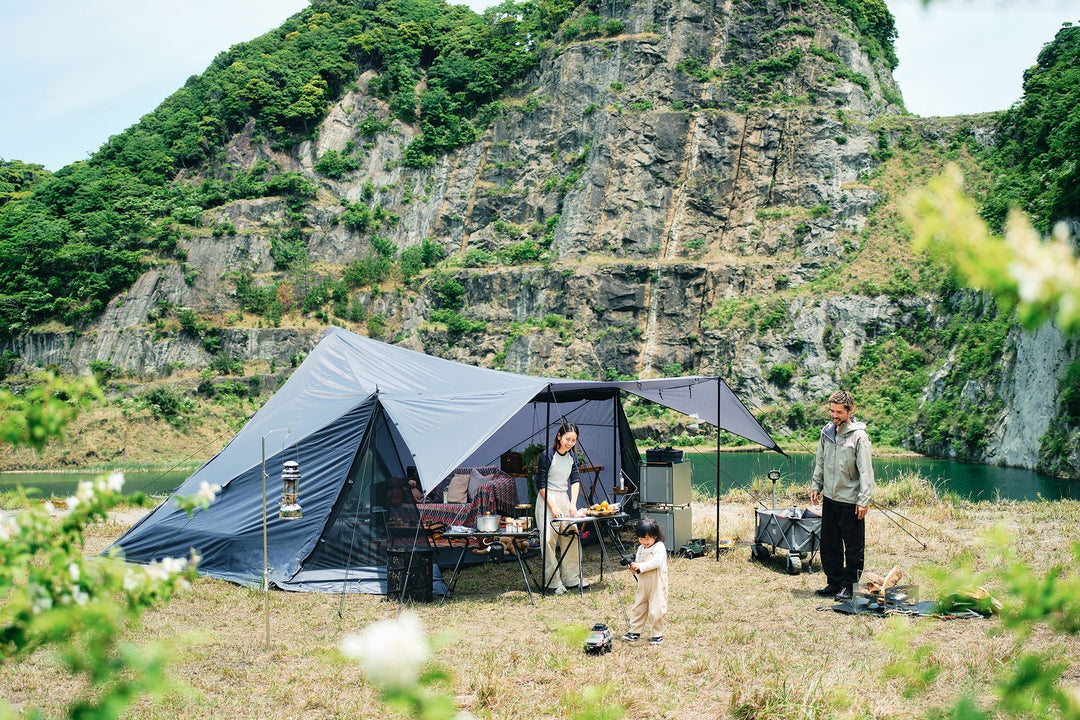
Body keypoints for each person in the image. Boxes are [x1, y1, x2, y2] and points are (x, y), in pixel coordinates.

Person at [810, 390, 875, 602]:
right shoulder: (826, 433)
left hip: (851, 502)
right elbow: (820, 462)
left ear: (850, 410)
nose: (834, 415)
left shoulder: (859, 437)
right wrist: (815, 486)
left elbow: (866, 471)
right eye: (831, 411)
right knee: (829, 544)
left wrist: (863, 500)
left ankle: (849, 586)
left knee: (853, 547)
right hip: (830, 498)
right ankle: (834, 582)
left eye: (839, 411)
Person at [534, 422, 587, 595]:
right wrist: (553, 506)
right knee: (549, 540)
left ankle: (572, 578)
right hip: (547, 498)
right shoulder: (547, 454)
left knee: (571, 536)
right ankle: (553, 582)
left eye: (573, 440)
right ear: (559, 436)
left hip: (564, 497)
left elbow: (575, 480)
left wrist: (572, 503)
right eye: (567, 439)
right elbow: (540, 484)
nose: (570, 443)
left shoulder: (572, 455)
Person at [622, 517, 668, 645]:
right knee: (639, 606)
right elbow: (638, 564)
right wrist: (634, 568)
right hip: (643, 582)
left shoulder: (659, 547)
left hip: (657, 582)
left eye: (647, 539)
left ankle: (657, 634)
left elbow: (656, 562)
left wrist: (641, 566)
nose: (644, 542)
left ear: (655, 536)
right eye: (641, 538)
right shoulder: (641, 548)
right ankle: (634, 631)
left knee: (657, 608)